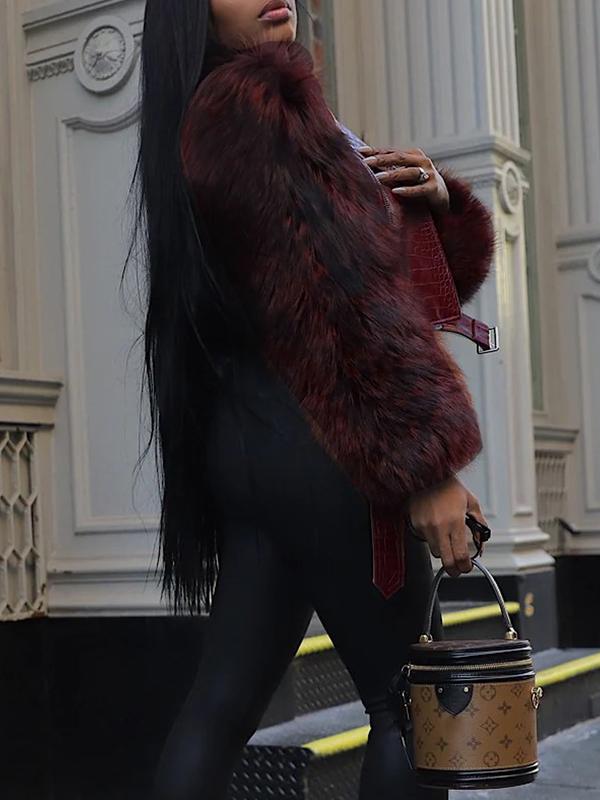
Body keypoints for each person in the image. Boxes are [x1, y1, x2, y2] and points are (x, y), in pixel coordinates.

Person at [129, 1, 498, 798]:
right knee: (411, 709)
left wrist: (437, 208)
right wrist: (426, 468)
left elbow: (390, 290)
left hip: (252, 451)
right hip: (332, 445)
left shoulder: (201, 119)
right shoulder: (267, 106)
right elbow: (345, 302)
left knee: (220, 708)